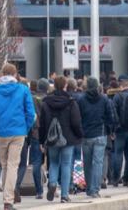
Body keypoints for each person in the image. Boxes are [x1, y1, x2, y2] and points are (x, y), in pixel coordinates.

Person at [0, 64, 35, 210]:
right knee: (13, 164)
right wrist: (25, 127)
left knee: (5, 164)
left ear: (2, 74)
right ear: (15, 74)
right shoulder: (23, 89)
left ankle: (8, 196)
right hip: (18, 131)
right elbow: (31, 114)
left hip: (1, 132)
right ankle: (8, 200)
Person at [39, 75, 82, 203]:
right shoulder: (71, 101)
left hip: (52, 138)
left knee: (54, 162)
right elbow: (76, 122)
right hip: (68, 138)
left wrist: (42, 140)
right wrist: (79, 135)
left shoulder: (46, 102)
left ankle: (52, 183)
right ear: (65, 86)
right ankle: (64, 195)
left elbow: (43, 123)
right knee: (66, 164)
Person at [75, 77, 114, 198]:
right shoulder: (104, 99)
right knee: (98, 162)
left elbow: (78, 118)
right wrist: (110, 131)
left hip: (86, 136)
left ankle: (89, 189)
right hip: (100, 134)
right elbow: (110, 116)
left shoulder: (81, 100)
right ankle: (95, 189)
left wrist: (80, 132)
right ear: (97, 86)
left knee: (87, 163)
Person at [108, 78, 128, 187]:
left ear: (121, 87)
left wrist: (113, 128)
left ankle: (115, 179)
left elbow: (113, 114)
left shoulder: (117, 97)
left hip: (120, 130)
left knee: (118, 154)